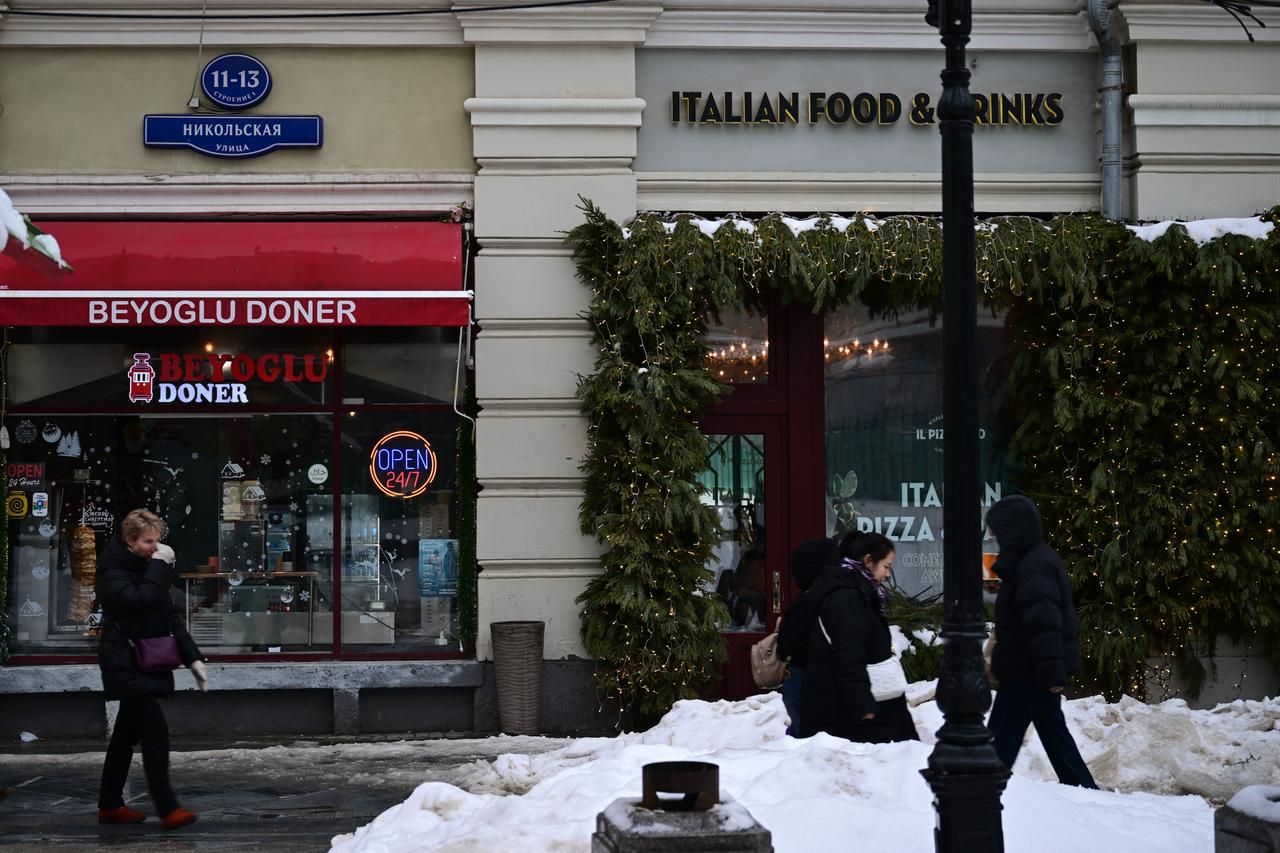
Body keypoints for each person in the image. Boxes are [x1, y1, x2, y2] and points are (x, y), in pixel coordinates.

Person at [96, 509, 209, 829]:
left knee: (124, 737)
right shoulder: (112, 571)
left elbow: (170, 616)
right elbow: (138, 601)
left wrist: (193, 659)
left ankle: (109, 804)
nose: (155, 547)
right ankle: (168, 808)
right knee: (155, 733)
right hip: (125, 662)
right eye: (148, 541)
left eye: (158, 541)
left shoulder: (149, 569)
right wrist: (159, 566)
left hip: (144, 664)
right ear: (130, 540)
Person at [985, 494, 1098, 789]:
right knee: (1055, 736)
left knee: (998, 744)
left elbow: (1045, 625)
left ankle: (979, 792)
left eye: (998, 534)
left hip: (1027, 670)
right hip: (1032, 668)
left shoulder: (1033, 567)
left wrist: (1051, 675)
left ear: (1013, 532)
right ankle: (1086, 791)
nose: (995, 540)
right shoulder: (1031, 561)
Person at [797, 532, 917, 743]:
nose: (888, 574)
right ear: (868, 561)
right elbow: (849, 652)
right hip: (849, 709)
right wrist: (862, 702)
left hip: (848, 701)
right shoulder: (848, 597)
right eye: (886, 566)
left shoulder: (854, 589)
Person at [776, 538, 841, 735]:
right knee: (809, 736)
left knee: (804, 731)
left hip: (804, 680)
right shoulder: (814, 604)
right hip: (805, 681)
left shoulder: (807, 600)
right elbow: (787, 643)